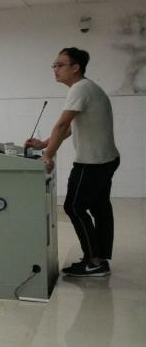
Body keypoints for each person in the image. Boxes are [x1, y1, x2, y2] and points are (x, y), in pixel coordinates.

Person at [25, 47, 120, 277]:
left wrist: (47, 155)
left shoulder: (80, 88)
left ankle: (94, 261)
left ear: (76, 67)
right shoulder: (87, 88)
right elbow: (70, 128)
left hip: (92, 162)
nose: (55, 69)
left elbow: (61, 125)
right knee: (100, 208)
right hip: (105, 159)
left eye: (60, 65)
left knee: (74, 207)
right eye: (54, 65)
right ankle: (99, 260)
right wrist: (44, 144)